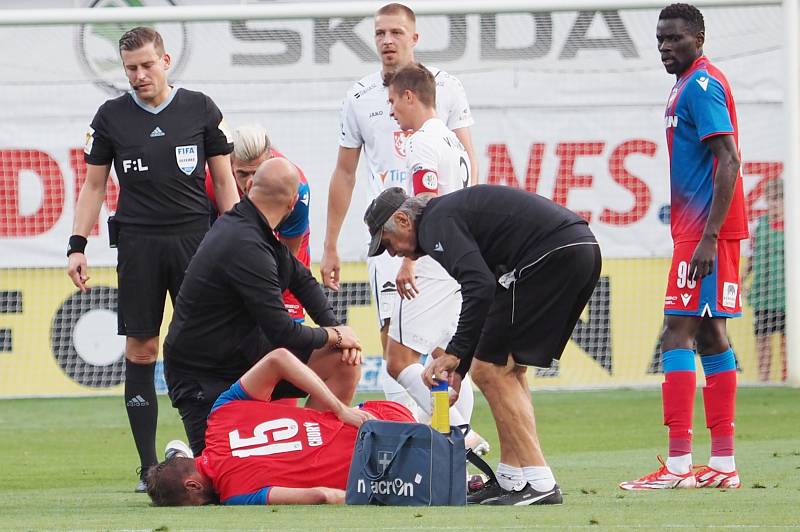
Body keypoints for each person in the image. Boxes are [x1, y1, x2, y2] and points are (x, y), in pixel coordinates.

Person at [66, 27, 240, 492]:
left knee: (204, 348)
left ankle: (213, 456)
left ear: (165, 60)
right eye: (130, 69)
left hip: (196, 245)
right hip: (139, 247)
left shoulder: (200, 108)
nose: (139, 75)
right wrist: (77, 244)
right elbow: (94, 186)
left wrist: (241, 235)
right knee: (142, 350)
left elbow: (224, 182)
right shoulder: (110, 117)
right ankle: (147, 467)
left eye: (146, 65)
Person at [364, 185, 602, 505]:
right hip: (577, 249)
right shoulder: (446, 216)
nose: (392, 254)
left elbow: (479, 286)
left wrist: (455, 353)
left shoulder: (436, 223)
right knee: (506, 368)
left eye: (388, 244)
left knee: (490, 370)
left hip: (551, 255)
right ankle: (512, 479)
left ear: (404, 221)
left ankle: (540, 481)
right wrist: (460, 367)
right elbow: (485, 290)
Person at [320, 3, 477, 413]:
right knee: (422, 345)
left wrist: (426, 245)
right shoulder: (359, 96)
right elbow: (344, 173)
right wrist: (331, 245)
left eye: (396, 32)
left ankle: (453, 436)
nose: (387, 40)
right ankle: (442, 439)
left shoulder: (444, 93)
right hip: (392, 243)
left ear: (414, 37)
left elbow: (461, 168)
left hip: (423, 242)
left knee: (404, 353)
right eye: (380, 34)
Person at [619, 3, 748, 491]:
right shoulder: (682, 86)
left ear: (698, 37)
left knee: (676, 332)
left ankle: (677, 467)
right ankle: (723, 464)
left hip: (705, 233)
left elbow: (729, 159)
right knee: (712, 335)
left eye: (675, 39)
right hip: (699, 231)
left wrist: (709, 238)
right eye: (659, 41)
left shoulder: (702, 85)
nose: (665, 48)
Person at [163, 157, 362, 457]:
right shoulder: (245, 243)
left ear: (249, 185)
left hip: (242, 358)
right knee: (216, 484)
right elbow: (283, 332)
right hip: (202, 377)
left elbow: (302, 280)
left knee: (344, 361)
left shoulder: (253, 227)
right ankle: (184, 459)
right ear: (294, 202)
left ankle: (310, 459)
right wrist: (335, 336)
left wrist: (335, 328)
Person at [147, 348, 416, 506]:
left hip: (392, 469)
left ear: (193, 486)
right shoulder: (220, 415)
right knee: (344, 355)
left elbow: (322, 495)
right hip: (382, 414)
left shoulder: (235, 495)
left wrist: (378, 496)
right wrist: (341, 410)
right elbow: (279, 356)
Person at [380, 63, 486, 449]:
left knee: (397, 360)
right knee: (443, 358)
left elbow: (425, 201)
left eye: (393, 101)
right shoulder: (454, 143)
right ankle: (454, 438)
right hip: (457, 262)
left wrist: (409, 259)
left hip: (432, 260)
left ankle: (460, 434)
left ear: (410, 96)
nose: (391, 110)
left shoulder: (422, 142)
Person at [205, 124, 312, 322]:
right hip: (237, 262)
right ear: (230, 165)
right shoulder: (213, 183)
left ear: (270, 161)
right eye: (243, 174)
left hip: (284, 261)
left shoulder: (296, 187)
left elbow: (288, 260)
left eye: (258, 172)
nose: (250, 184)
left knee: (285, 343)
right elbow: (208, 249)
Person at [744, 178, 785, 382]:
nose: (774, 204)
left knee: (789, 337)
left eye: (778, 199)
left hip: (788, 294)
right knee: (762, 337)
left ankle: (788, 376)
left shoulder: (793, 226)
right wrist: (742, 279)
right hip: (765, 291)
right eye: (770, 199)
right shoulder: (758, 226)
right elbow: (752, 256)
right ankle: (764, 379)